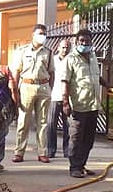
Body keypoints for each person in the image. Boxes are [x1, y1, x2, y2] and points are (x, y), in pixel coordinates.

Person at [10, 24, 55, 163]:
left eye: (45, 33)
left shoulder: (48, 52)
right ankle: (19, 152)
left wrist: (49, 89)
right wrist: (15, 91)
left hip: (43, 87)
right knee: (24, 121)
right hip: (27, 86)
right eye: (40, 33)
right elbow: (16, 72)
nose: (43, 36)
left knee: (42, 123)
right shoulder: (22, 51)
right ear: (33, 35)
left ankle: (42, 152)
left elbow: (52, 72)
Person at [63, 29, 105, 177]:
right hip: (78, 105)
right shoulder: (71, 59)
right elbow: (65, 81)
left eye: (87, 41)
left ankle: (82, 165)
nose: (84, 44)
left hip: (92, 105)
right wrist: (65, 102)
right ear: (76, 42)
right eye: (81, 41)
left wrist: (106, 84)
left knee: (89, 138)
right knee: (76, 138)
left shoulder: (93, 57)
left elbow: (95, 77)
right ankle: (74, 167)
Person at [48, 39, 71, 159]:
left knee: (67, 125)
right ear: (58, 48)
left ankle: (67, 150)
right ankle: (51, 150)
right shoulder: (52, 60)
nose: (65, 49)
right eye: (63, 47)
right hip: (54, 95)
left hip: (68, 97)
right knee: (51, 124)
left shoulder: (72, 60)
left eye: (67, 47)